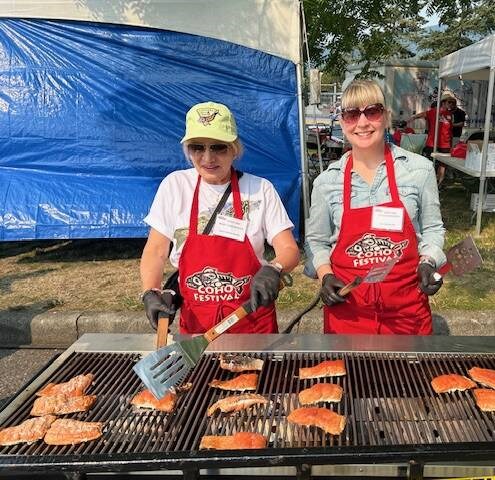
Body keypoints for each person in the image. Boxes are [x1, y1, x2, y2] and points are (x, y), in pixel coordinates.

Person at [139, 101, 300, 334]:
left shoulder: (260, 189)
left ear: (234, 149)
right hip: (197, 326)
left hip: (251, 321)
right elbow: (155, 250)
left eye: (218, 147)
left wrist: (274, 269)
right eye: (197, 147)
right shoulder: (175, 186)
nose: (208, 158)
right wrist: (150, 292)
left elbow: (289, 249)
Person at [305, 79, 446, 335]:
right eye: (351, 114)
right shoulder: (327, 182)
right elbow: (316, 241)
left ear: (386, 117)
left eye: (372, 111)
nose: (362, 123)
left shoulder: (418, 170)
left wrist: (429, 261)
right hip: (348, 315)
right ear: (341, 122)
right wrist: (325, 276)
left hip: (407, 314)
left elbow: (433, 229)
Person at [410, 95, 453, 185]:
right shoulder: (434, 111)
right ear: (443, 102)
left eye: (452, 102)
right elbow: (423, 114)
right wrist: (412, 118)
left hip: (445, 143)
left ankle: (439, 183)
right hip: (432, 142)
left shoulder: (449, 114)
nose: (451, 104)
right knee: (429, 163)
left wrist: (451, 142)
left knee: (443, 164)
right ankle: (428, 182)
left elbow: (450, 129)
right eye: (449, 102)